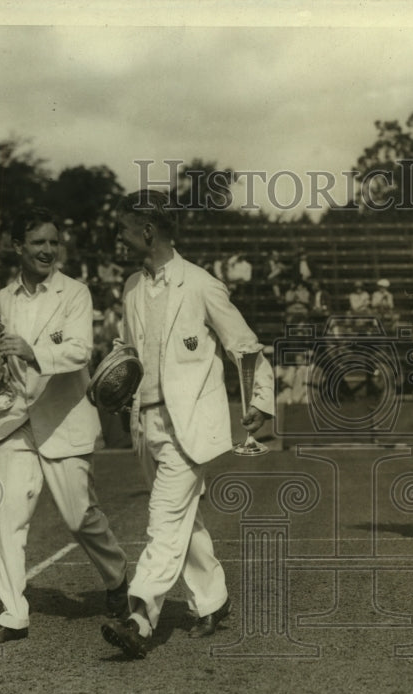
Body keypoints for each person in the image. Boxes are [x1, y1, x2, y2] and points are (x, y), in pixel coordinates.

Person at [100, 190, 274, 659]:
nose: (119, 235)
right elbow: (128, 348)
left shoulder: (200, 284)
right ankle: (213, 602)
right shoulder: (132, 287)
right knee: (183, 521)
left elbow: (245, 344)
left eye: (125, 227)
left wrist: (261, 400)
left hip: (189, 427)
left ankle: (140, 617)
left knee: (163, 520)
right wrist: (116, 383)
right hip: (145, 422)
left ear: (148, 231)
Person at [0, 207, 129, 645]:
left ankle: (117, 580)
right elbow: (3, 362)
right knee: (7, 517)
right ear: (17, 246)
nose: (47, 250)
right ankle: (13, 615)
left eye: (53, 242)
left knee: (80, 519)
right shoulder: (4, 298)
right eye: (38, 242)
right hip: (18, 421)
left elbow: (81, 352)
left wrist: (31, 351)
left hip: (64, 419)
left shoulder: (76, 293)